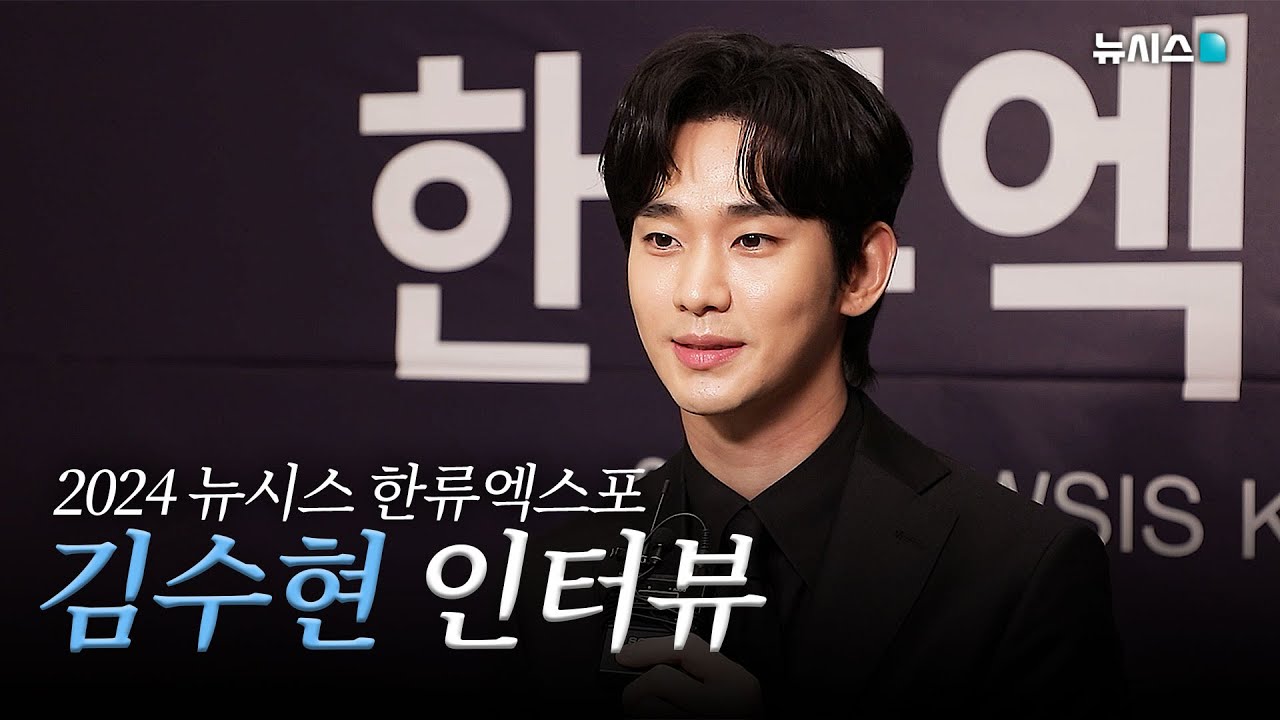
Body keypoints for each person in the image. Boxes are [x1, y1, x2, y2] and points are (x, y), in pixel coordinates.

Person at [503, 30, 1127, 718]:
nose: (697, 292)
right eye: (662, 239)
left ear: (860, 271)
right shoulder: (556, 568)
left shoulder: (1016, 569)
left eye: (752, 239)